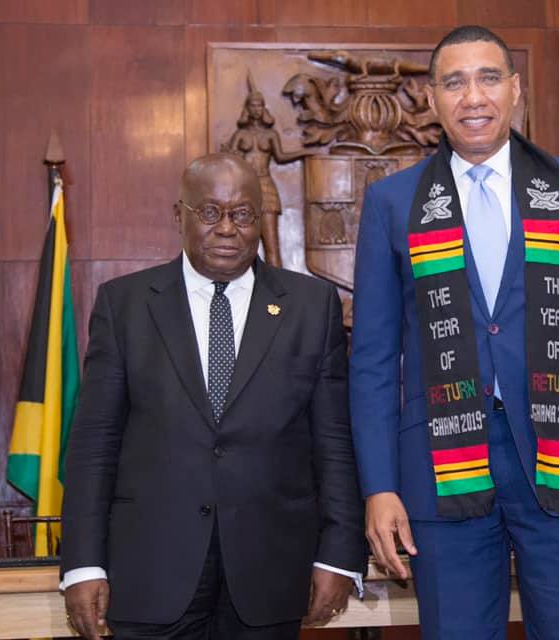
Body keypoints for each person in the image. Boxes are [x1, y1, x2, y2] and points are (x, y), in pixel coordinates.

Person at [350, 25, 559, 639]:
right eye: (454, 82)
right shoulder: (393, 203)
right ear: (433, 99)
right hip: (439, 467)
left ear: (515, 90)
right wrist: (379, 487)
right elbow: (373, 361)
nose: (474, 97)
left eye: (489, 78)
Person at [60, 153, 367, 639]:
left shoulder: (311, 307)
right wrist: (82, 564)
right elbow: (94, 444)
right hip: (150, 573)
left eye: (243, 214)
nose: (227, 228)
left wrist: (339, 553)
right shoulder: (126, 305)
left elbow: (333, 442)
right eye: (209, 213)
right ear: (179, 216)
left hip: (271, 574)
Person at [225, 75, 308, 268]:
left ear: (264, 108)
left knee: (272, 246)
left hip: (266, 187)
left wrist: (304, 151)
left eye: (259, 105)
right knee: (243, 245)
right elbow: (230, 160)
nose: (256, 109)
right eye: (253, 105)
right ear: (247, 108)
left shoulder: (270, 134)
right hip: (243, 190)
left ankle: (277, 290)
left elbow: (281, 156)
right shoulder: (240, 135)